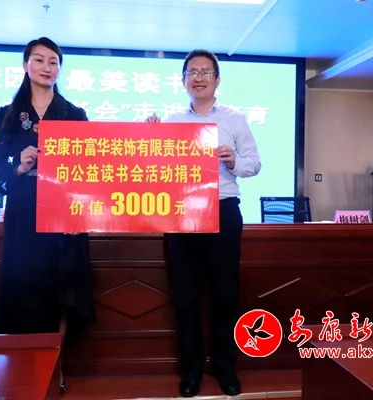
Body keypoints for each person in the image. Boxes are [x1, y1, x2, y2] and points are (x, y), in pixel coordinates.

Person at [146, 49, 261, 397]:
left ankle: (226, 366)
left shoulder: (234, 119)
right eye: (192, 72)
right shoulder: (171, 122)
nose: (199, 78)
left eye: (205, 72)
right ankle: (193, 369)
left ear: (217, 79)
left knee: (225, 294)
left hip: (224, 210)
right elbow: (155, 169)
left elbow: (254, 164)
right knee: (187, 295)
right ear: (183, 80)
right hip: (183, 212)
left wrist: (233, 161)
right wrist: (148, 138)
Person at [0, 37, 95, 393]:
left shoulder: (74, 114)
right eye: (39, 60)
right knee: (24, 289)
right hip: (24, 214)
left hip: (64, 217)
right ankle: (20, 369)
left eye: (53, 61)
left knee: (61, 290)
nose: (47, 67)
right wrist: (19, 167)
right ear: (25, 65)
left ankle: (54, 368)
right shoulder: (6, 115)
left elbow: (91, 170)